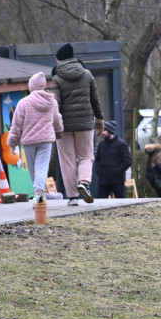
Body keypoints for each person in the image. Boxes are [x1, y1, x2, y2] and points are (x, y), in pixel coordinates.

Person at [49, 43, 104, 206]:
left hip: (64, 126)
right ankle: (84, 183)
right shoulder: (87, 74)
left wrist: (54, 125)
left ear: (60, 60)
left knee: (67, 160)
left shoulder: (57, 78)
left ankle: (72, 196)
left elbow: (55, 103)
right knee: (86, 156)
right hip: (85, 124)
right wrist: (99, 120)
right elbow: (95, 100)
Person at [7, 72, 63, 204]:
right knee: (41, 168)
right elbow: (57, 119)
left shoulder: (23, 103)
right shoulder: (52, 101)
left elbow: (16, 126)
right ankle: (39, 193)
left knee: (33, 169)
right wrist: (59, 131)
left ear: (31, 87)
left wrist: (12, 143)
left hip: (29, 141)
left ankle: (38, 193)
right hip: (46, 140)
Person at [93, 120, 132, 199]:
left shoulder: (121, 144)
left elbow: (127, 161)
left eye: (104, 130)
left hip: (117, 181)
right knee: (99, 204)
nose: (102, 133)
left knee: (121, 203)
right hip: (103, 181)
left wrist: (117, 171)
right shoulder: (101, 145)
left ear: (110, 131)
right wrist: (99, 171)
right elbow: (97, 160)